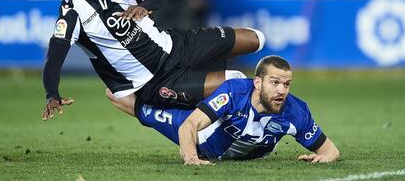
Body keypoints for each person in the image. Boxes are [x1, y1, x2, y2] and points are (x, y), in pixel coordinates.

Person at [42, 0, 265, 120]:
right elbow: (55, 55)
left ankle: (207, 106)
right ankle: (198, 119)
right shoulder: (72, 12)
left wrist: (145, 6)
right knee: (237, 81)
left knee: (256, 39)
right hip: (156, 81)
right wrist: (52, 93)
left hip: (179, 44)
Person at [106, 55, 340, 165]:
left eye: (286, 84)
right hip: (202, 141)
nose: (282, 90)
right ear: (257, 82)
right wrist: (191, 158)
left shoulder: (296, 112)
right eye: (275, 82)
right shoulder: (235, 92)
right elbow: (189, 126)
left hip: (245, 153)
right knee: (134, 105)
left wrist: (324, 157)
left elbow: (331, 150)